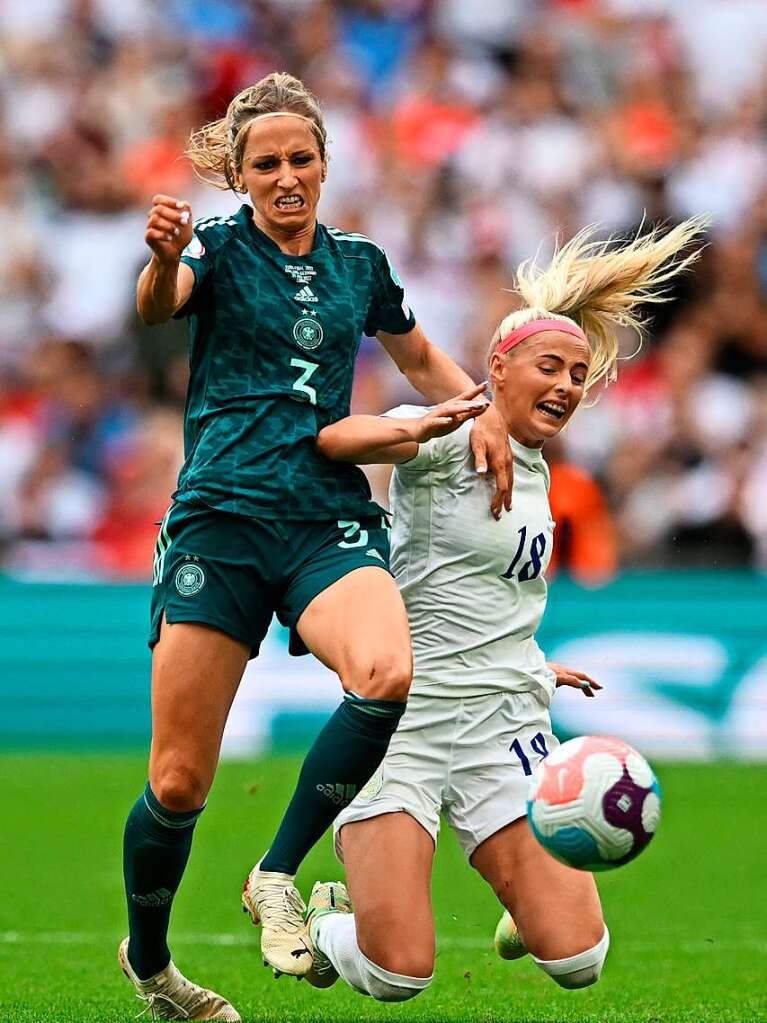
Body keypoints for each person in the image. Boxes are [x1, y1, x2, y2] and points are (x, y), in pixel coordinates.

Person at [118, 72, 511, 1021]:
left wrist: (484, 414)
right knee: (177, 779)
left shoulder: (359, 262)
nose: (286, 176)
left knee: (384, 672)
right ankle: (154, 965)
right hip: (220, 517)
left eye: (301, 159)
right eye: (267, 164)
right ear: (242, 175)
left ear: (326, 164)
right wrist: (163, 257)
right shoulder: (212, 246)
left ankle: (275, 873)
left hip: (326, 516)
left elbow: (416, 357)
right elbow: (158, 303)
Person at [300, 217, 706, 1003]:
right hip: (406, 721)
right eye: (547, 367)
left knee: (580, 961)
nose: (563, 385)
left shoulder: (540, 467)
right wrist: (434, 417)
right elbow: (332, 439)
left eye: (576, 374)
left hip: (503, 721)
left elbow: (493, 589)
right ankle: (325, 921)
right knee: (395, 975)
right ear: (496, 367)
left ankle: (525, 890)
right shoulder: (454, 435)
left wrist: (530, 661)